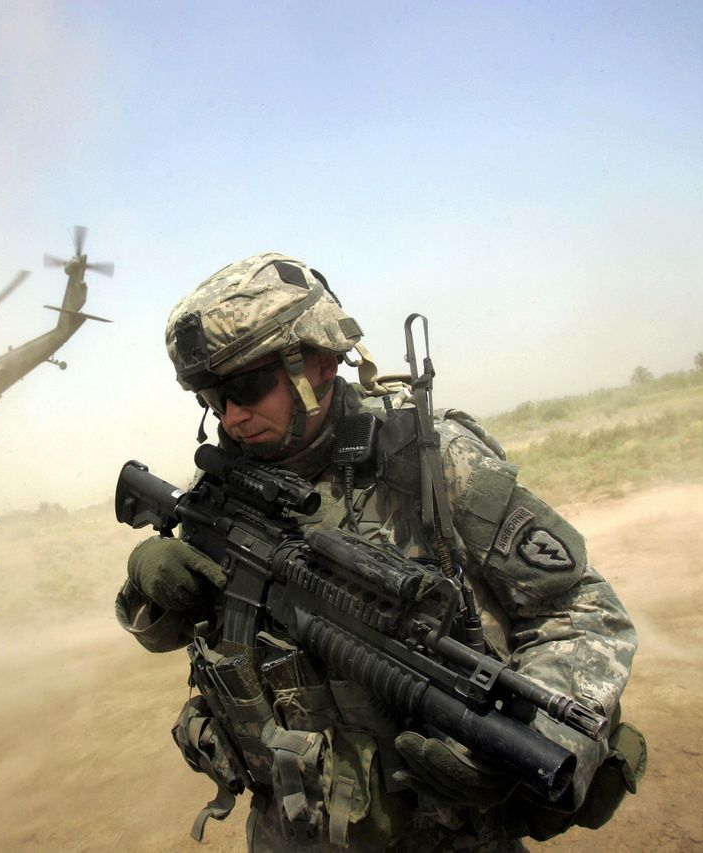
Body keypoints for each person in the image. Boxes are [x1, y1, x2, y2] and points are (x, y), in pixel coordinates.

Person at [115, 253, 645, 852]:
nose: (232, 416)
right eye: (213, 395)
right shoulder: (226, 485)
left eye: (247, 385)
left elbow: (583, 611)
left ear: (317, 360)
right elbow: (189, 639)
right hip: (292, 832)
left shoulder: (429, 460)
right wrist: (151, 593)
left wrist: (528, 739)